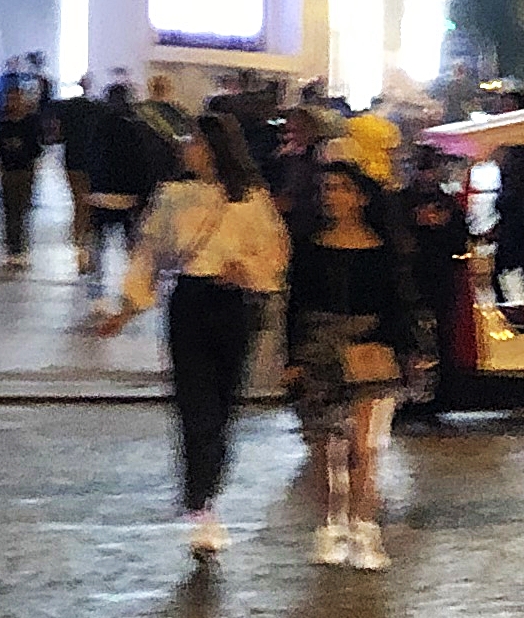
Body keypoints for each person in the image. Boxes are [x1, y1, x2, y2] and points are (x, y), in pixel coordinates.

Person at [96, 115, 289, 558]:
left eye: (195, 140)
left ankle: (208, 493)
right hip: (191, 302)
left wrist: (251, 273)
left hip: (234, 305)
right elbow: (147, 253)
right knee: (195, 406)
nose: (187, 147)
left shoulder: (251, 200)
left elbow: (275, 254)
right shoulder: (172, 196)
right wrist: (127, 308)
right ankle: (200, 503)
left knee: (224, 407)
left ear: (215, 147)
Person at [288, 161, 418, 571]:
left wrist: (405, 349)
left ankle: (363, 525)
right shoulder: (309, 247)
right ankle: (332, 523)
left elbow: (399, 303)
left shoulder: (383, 249)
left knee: (366, 446)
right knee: (327, 448)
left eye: (342, 188)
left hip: (371, 349)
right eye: (327, 188)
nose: (332, 195)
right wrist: (291, 356)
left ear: (361, 196)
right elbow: (296, 305)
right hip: (319, 349)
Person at [396, 145, 469, 415]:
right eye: (422, 168)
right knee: (410, 338)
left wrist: (444, 225)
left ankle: (438, 397)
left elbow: (460, 241)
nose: (426, 174)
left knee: (439, 337)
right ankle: (410, 395)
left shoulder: (448, 205)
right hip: (409, 279)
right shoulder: (401, 203)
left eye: (430, 168)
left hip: (439, 279)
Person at [87, 84, 157, 299]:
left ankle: (97, 283)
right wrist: (145, 195)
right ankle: (134, 284)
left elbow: (92, 157)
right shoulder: (138, 128)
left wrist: (93, 186)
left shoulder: (99, 126)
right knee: (132, 241)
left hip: (102, 192)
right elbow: (144, 162)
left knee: (100, 239)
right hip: (129, 195)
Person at [492, 92, 524, 302]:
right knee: (512, 268)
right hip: (513, 220)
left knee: (512, 267)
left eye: (508, 108)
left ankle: (520, 309)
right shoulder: (515, 149)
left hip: (518, 221)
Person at [53, 74, 102, 273]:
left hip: (72, 159)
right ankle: (87, 249)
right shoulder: (97, 109)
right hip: (92, 161)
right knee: (91, 205)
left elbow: (58, 134)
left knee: (78, 204)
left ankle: (80, 247)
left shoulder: (67, 108)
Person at [0, 85, 43, 268]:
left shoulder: (30, 123)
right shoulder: (3, 123)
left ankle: (20, 244)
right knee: (10, 210)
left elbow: (36, 149)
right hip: (8, 171)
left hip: (25, 170)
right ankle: (12, 246)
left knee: (22, 208)